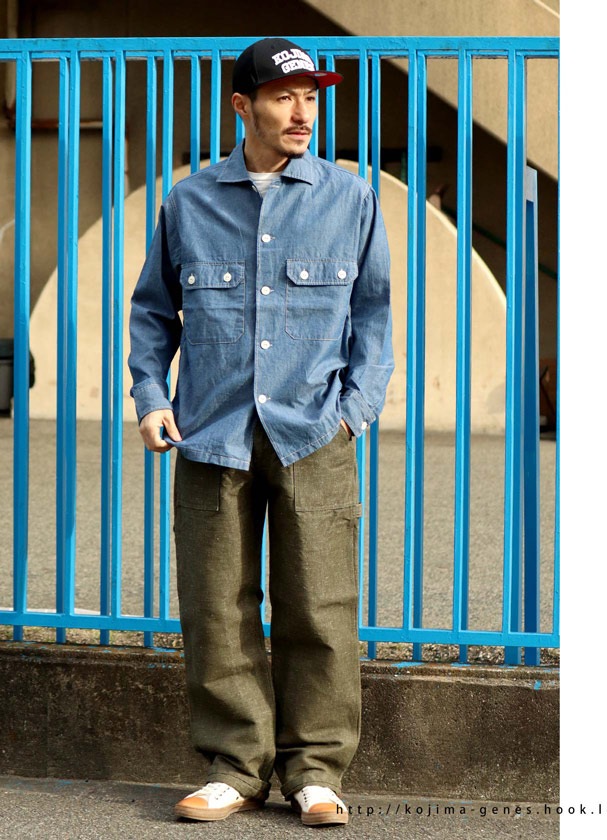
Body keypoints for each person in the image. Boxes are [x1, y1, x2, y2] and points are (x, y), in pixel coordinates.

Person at [128, 37, 394, 827]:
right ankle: (236, 766)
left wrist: (353, 410)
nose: (302, 112)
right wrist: (150, 395)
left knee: (320, 606)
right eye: (284, 97)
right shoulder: (189, 202)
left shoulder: (349, 199)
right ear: (242, 106)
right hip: (212, 434)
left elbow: (375, 316)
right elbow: (153, 311)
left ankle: (315, 769)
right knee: (216, 605)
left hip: (314, 433)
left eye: (311, 96)